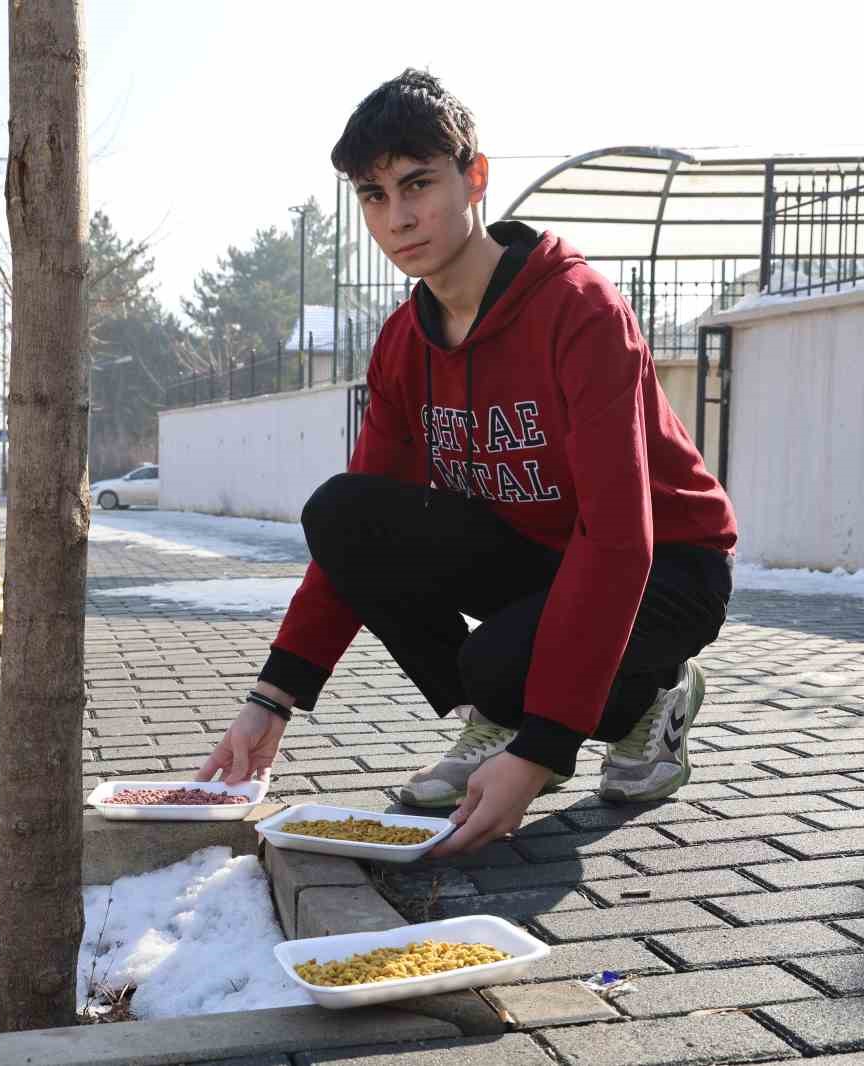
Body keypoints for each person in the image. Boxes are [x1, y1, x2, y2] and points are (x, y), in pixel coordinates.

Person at [198, 70, 737, 857]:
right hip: (545, 555)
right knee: (342, 513)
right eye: (374, 196)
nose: (399, 217)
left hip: (670, 566)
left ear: (474, 178)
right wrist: (270, 700)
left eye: (419, 183)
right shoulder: (403, 345)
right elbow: (354, 549)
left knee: (496, 663)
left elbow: (619, 535)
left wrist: (546, 749)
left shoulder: (579, 311)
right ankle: (500, 719)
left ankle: (647, 700)